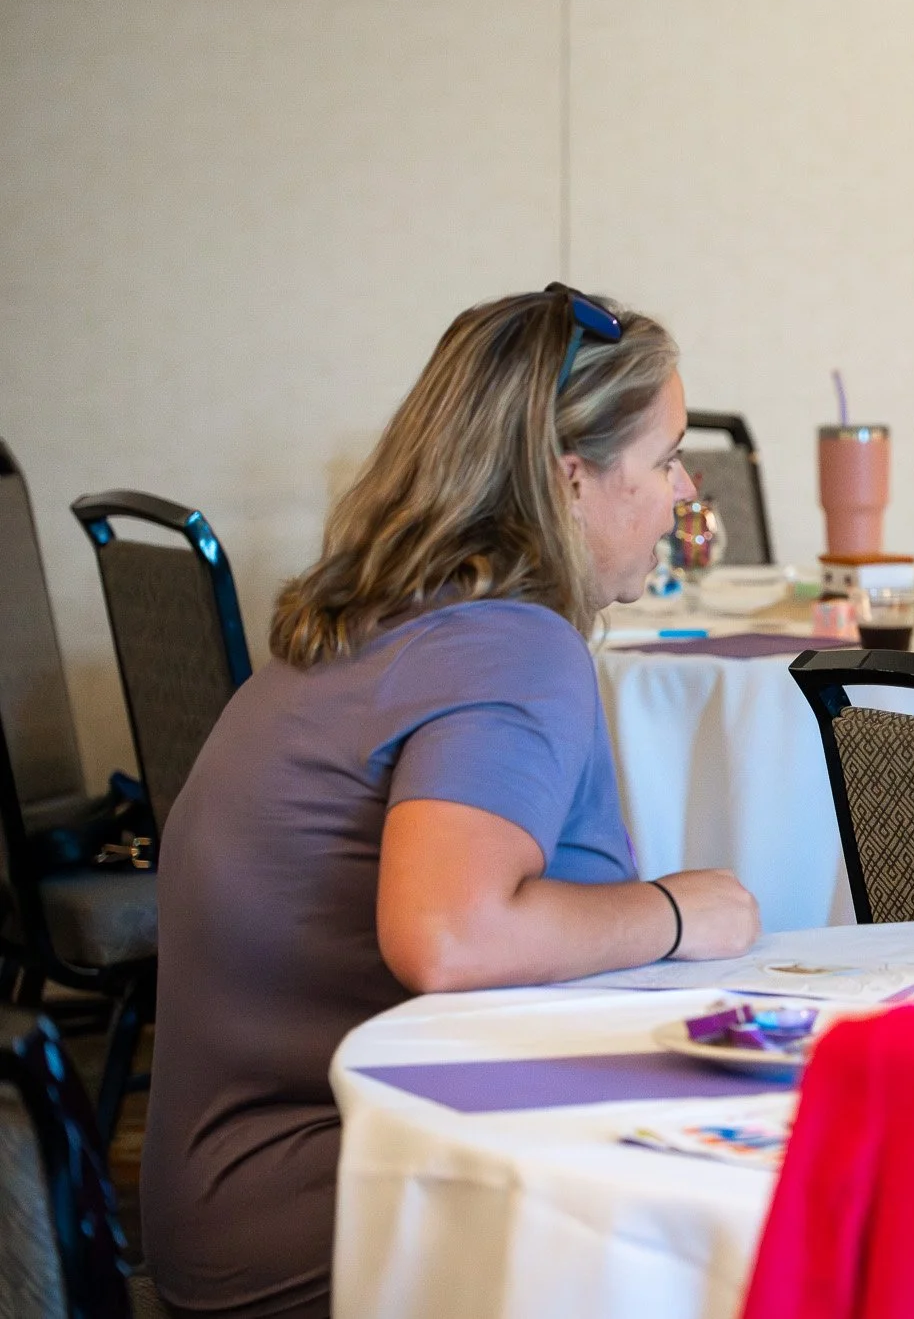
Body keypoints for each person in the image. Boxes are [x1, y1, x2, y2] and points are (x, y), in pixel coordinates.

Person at [142, 286, 761, 1318]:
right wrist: (674, 912)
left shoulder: (386, 620)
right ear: (570, 478)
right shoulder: (511, 645)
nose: (683, 490)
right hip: (327, 1204)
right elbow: (449, 935)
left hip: (235, 1196)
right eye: (664, 459)